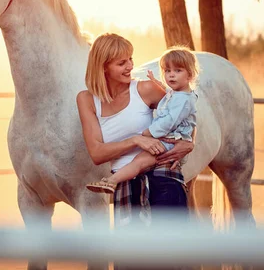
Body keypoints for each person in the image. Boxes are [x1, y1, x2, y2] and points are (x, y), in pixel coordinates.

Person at [76, 33, 194, 270]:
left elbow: (184, 114)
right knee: (130, 261)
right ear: (103, 67)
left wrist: (188, 143)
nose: (130, 66)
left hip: (162, 175)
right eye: (121, 62)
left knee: (173, 258)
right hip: (126, 182)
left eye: (130, 59)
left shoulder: (147, 89)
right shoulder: (87, 99)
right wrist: (135, 140)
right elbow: (97, 153)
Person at [86, 46, 199, 194]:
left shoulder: (183, 99)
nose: (130, 66)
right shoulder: (176, 94)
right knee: (138, 162)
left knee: (139, 162)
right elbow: (170, 100)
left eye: (177, 71)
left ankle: (111, 182)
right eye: (167, 71)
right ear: (103, 67)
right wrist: (157, 83)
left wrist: (148, 133)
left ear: (190, 75)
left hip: (167, 143)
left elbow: (172, 120)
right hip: (163, 143)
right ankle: (112, 181)